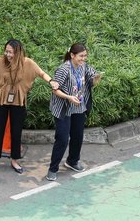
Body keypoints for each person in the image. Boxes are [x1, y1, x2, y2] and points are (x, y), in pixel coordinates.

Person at [0, 39, 58, 175]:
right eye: (6, 51)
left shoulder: (27, 63)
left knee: (16, 131)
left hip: (18, 102)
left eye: (10, 52)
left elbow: (41, 73)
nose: (7, 54)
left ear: (18, 52)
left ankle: (14, 160)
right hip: (1, 100)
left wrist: (51, 81)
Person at [46, 43, 101, 182]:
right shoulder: (63, 69)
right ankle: (53, 169)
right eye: (81, 56)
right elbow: (55, 89)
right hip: (64, 107)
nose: (83, 59)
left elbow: (92, 82)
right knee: (62, 138)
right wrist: (69, 97)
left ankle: (72, 161)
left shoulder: (84, 67)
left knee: (78, 136)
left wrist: (96, 80)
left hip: (79, 106)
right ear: (72, 55)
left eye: (85, 56)